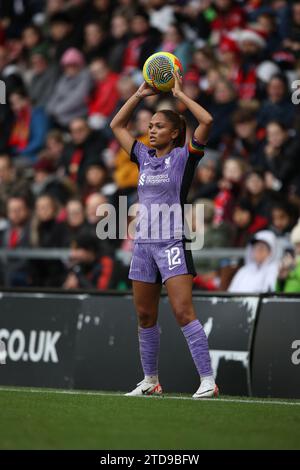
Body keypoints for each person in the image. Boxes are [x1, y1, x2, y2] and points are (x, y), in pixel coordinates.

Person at [110, 71, 218, 399]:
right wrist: (139, 95)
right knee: (145, 315)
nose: (151, 130)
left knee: (183, 311)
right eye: (150, 125)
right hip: (143, 244)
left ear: (175, 133)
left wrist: (179, 95)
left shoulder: (185, 157)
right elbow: (116, 125)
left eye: (158, 126)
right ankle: (150, 381)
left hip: (172, 241)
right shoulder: (142, 155)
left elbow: (208, 120)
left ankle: (208, 381)